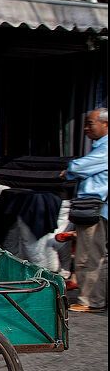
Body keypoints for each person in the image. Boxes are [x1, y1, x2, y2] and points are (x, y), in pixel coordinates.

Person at [61, 107, 107, 313]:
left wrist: (69, 170)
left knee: (90, 254)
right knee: (95, 253)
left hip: (96, 209)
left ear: (105, 124)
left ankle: (91, 301)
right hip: (96, 208)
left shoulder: (105, 148)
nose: (86, 128)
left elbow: (80, 167)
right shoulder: (101, 146)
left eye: (90, 123)